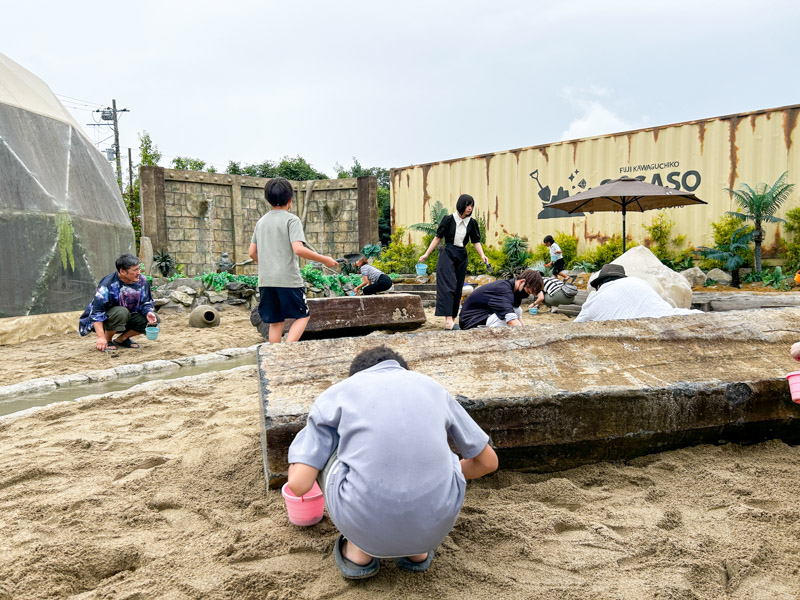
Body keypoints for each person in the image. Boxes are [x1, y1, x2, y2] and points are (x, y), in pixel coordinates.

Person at [286, 346, 498, 579]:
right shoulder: (433, 388)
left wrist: (302, 451)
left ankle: (358, 552)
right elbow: (488, 462)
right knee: (438, 459)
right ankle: (416, 552)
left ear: (357, 375)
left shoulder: (339, 393)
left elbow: (299, 485)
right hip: (433, 531)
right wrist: (448, 471)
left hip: (364, 524)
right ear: (403, 371)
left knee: (332, 449)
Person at [248, 177, 339, 343]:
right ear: (290, 200)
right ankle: (288, 350)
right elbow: (298, 249)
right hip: (288, 280)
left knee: (275, 321)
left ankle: (275, 357)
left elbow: (252, 253)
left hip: (266, 281)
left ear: (268, 199)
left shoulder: (261, 222)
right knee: (303, 315)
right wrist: (325, 259)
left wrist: (269, 264)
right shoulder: (291, 219)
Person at [418, 194, 490, 330]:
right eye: (468, 205)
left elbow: (475, 241)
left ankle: (452, 318)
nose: (470, 208)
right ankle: (448, 321)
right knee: (448, 287)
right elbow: (437, 238)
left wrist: (482, 255)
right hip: (448, 254)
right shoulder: (448, 220)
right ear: (461, 205)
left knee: (457, 288)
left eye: (472, 206)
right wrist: (426, 254)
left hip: (462, 255)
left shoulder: (472, 223)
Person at [78, 254, 158, 352]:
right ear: (122, 271)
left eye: (139, 269)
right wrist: (101, 337)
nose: (139, 272)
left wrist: (148, 312)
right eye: (135, 270)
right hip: (105, 321)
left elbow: (146, 303)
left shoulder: (142, 281)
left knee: (154, 319)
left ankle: (122, 339)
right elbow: (96, 313)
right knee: (121, 312)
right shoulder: (107, 284)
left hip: (126, 318)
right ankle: (107, 340)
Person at [574, 264, 700, 323]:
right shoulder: (639, 282)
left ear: (599, 285)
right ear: (622, 278)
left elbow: (575, 327)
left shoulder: (594, 299)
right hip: (671, 318)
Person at [459, 269, 543, 330]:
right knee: (507, 315)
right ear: (522, 282)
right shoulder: (503, 290)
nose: (528, 295)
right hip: (471, 322)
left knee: (517, 310)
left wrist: (525, 330)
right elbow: (510, 319)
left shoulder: (514, 291)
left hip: (484, 317)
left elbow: (518, 315)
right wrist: (523, 335)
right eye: (528, 291)